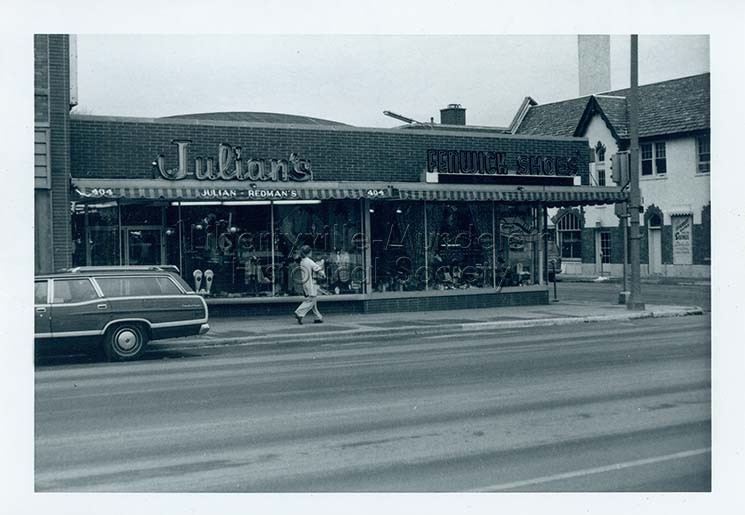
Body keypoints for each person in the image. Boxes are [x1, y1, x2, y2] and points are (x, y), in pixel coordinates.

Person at [293, 245, 325, 324]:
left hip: (305, 283)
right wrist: (323, 274)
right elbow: (317, 268)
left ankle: (318, 317)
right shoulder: (309, 261)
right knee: (311, 301)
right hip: (311, 283)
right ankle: (299, 312)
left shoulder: (302, 261)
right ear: (309, 252)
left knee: (313, 302)